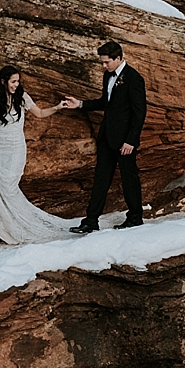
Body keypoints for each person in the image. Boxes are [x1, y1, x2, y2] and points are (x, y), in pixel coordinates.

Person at [0, 65, 75, 244]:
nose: (16, 84)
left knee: (9, 187)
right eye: (13, 81)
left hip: (17, 148)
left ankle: (16, 227)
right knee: (1, 187)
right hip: (1, 148)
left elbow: (39, 113)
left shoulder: (22, 97)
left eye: (18, 81)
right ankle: (1, 227)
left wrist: (57, 107)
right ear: (3, 82)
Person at [63, 41, 147, 233]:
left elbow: (139, 112)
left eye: (106, 62)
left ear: (118, 58)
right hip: (106, 137)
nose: (103, 66)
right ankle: (91, 221)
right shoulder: (108, 76)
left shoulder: (134, 78)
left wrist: (131, 140)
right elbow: (105, 103)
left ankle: (135, 217)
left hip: (125, 141)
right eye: (102, 62)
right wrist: (81, 104)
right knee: (100, 179)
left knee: (129, 179)